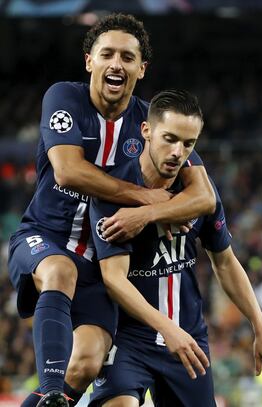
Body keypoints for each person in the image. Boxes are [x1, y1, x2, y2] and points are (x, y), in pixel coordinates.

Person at [7, 14, 215, 407]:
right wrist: (143, 196)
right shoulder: (64, 98)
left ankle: (48, 398)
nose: (116, 63)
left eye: (127, 56)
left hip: (100, 270)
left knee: (85, 362)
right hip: (44, 238)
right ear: (90, 61)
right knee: (60, 269)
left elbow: (205, 197)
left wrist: (152, 213)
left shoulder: (150, 124)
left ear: (141, 68)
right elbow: (67, 172)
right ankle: (52, 391)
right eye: (107, 54)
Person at [89, 88, 262, 407]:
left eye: (188, 144)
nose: (178, 152)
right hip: (128, 339)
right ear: (146, 131)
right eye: (170, 139)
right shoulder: (113, 192)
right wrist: (167, 329)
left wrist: (260, 324)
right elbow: (115, 280)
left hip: (188, 337)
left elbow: (225, 262)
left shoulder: (201, 195)